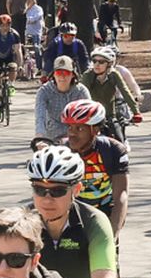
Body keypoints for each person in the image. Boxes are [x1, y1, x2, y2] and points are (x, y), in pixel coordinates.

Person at [26, 147, 121, 278]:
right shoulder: (23, 223)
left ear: (76, 190)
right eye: (39, 189)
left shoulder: (93, 222)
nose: (46, 198)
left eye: (58, 190)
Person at [55, 100, 130, 234]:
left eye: (79, 128)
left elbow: (121, 196)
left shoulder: (113, 150)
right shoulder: (60, 150)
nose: (72, 134)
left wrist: (113, 234)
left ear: (95, 130)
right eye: (70, 127)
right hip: (73, 210)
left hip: (105, 209)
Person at [31, 57, 91, 145]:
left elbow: (89, 115)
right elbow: (40, 116)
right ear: (53, 75)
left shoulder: (81, 91)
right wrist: (40, 136)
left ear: (73, 75)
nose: (62, 76)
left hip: (76, 138)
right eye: (59, 73)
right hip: (52, 139)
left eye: (66, 73)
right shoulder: (44, 91)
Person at [80, 46, 142, 130]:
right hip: (91, 116)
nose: (96, 64)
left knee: (119, 138)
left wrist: (136, 112)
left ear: (109, 64)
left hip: (110, 116)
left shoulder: (114, 75)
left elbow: (125, 91)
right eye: (94, 61)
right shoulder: (88, 75)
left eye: (101, 62)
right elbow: (81, 95)